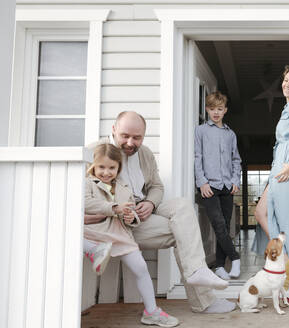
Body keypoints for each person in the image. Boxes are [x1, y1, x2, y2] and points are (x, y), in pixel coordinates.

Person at [86, 111, 236, 315]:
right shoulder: (94, 151)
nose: (130, 142)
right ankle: (204, 301)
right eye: (125, 136)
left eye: (137, 137)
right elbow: (81, 196)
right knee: (182, 232)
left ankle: (197, 272)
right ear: (114, 130)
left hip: (143, 211)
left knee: (182, 207)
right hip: (118, 222)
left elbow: (156, 186)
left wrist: (150, 202)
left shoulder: (145, 154)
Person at [83, 143, 179, 327]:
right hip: (95, 231)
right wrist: (113, 208)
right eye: (101, 167)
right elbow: (87, 203)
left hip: (119, 232)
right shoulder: (88, 183)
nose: (106, 172)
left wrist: (130, 217)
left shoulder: (123, 187)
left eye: (112, 168)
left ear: (118, 168)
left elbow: (131, 210)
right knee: (71, 235)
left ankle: (151, 311)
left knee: (141, 268)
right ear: (94, 166)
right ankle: (95, 251)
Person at [253, 65, 289, 293]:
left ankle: (288, 258)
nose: (288, 85)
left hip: (287, 168)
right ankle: (284, 256)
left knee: (283, 215)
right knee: (262, 212)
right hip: (279, 166)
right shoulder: (288, 106)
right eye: (286, 80)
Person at [194, 91, 242, 280]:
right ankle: (235, 257)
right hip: (209, 186)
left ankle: (220, 266)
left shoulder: (231, 134)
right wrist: (202, 182)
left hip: (227, 186)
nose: (215, 112)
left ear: (225, 111)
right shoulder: (201, 131)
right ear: (207, 109)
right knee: (219, 224)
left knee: (224, 226)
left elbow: (236, 159)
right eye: (212, 109)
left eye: (219, 109)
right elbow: (197, 157)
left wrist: (235, 181)